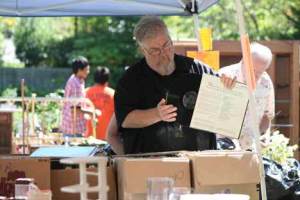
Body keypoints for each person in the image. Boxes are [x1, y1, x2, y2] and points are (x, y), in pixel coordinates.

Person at [114, 16, 236, 154]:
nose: (163, 53)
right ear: (143, 50)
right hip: (151, 163)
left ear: (171, 40)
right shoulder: (130, 80)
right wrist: (157, 114)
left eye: (166, 45)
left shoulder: (197, 69)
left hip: (199, 159)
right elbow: (125, 119)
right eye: (155, 50)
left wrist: (228, 86)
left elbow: (225, 103)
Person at [219, 42, 275, 150]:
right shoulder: (223, 76)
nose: (256, 76)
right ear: (244, 61)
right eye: (253, 71)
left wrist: (264, 134)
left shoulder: (266, 82)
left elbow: (267, 115)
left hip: (250, 149)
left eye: (260, 72)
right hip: (222, 146)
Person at [61, 56, 90, 137]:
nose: (88, 72)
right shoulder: (75, 84)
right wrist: (92, 112)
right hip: (73, 129)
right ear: (80, 70)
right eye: (86, 70)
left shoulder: (79, 80)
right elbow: (74, 110)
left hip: (75, 127)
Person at [85, 67, 115, 140]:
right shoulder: (113, 94)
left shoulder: (86, 92)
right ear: (107, 79)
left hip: (90, 137)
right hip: (107, 137)